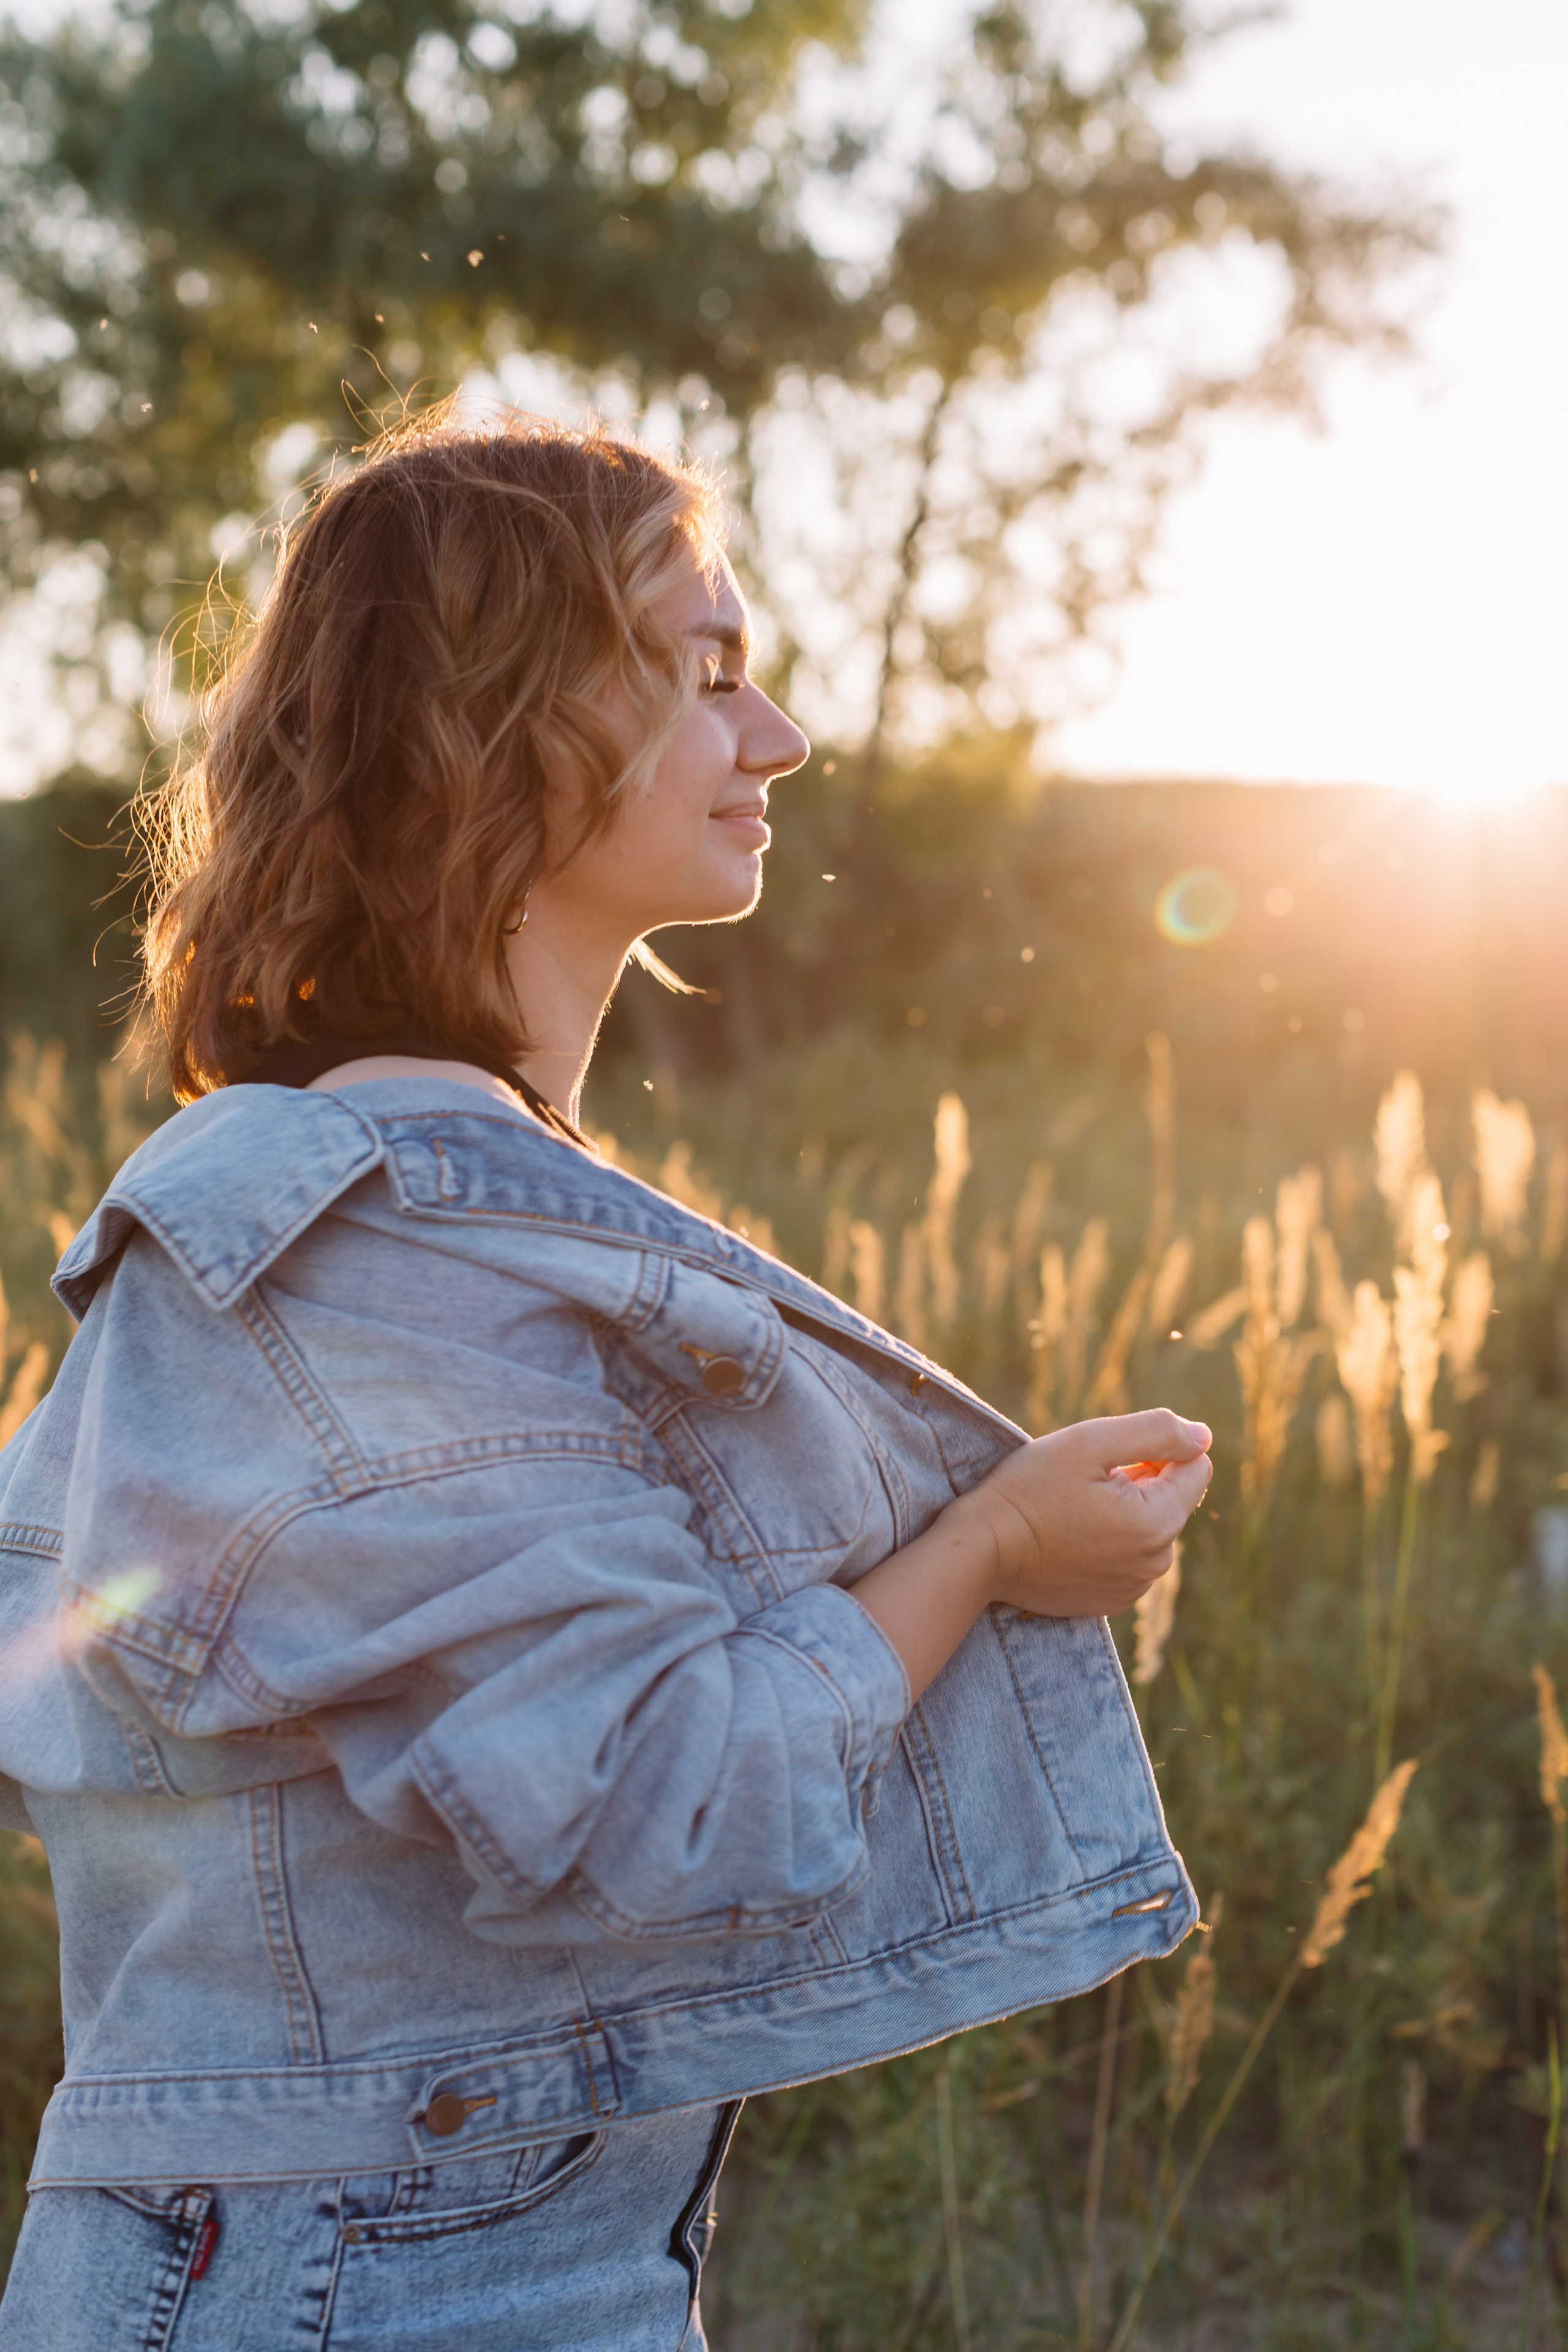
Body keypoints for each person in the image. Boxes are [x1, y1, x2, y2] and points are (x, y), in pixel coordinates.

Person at [0, 407, 1212, 2351]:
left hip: (413, 2242)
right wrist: (985, 1547)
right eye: (709, 671)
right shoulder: (366, 1255)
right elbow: (678, 1803)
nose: (781, 738)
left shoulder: (428, 1213)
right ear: (499, 721)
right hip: (356, 2282)